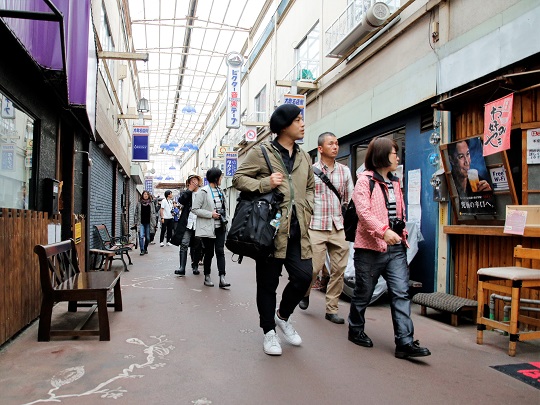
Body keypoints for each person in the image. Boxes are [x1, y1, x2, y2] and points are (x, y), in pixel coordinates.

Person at [232, 103, 314, 356]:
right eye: (298, 120)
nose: (302, 124)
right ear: (284, 125)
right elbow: (238, 179)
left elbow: (310, 187)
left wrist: (307, 208)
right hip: (269, 232)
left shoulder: (304, 156)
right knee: (267, 285)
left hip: (298, 229)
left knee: (304, 277)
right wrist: (265, 183)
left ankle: (282, 315)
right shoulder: (261, 152)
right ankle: (269, 331)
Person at [347, 137, 430, 359]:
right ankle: (355, 329)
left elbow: (397, 214)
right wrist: (383, 231)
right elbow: (363, 213)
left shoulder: (395, 182)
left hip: (395, 249)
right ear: (383, 154)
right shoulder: (364, 181)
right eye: (395, 153)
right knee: (363, 292)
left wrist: (399, 234)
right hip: (370, 248)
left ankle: (404, 342)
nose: (398, 157)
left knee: (401, 293)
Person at [299, 132, 353, 324]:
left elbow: (348, 199)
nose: (335, 147)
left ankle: (332, 309)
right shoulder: (310, 170)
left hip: (338, 226)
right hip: (316, 225)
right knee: (313, 268)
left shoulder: (345, 171)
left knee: (339, 270)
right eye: (331, 144)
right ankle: (305, 292)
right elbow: (304, 198)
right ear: (320, 149)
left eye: (337, 143)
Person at [192, 167, 230, 289]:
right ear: (216, 178)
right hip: (209, 228)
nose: (221, 179)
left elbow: (226, 208)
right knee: (209, 253)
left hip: (220, 227)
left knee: (220, 251)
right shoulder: (203, 191)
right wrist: (210, 214)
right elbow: (195, 209)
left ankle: (222, 277)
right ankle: (207, 276)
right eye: (220, 177)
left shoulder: (221, 191)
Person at [172, 172, 203, 277]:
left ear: (199, 182)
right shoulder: (186, 193)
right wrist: (189, 190)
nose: (194, 182)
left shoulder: (203, 193)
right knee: (184, 243)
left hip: (199, 222)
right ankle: (182, 268)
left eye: (196, 180)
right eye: (192, 181)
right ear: (189, 183)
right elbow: (181, 201)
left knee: (197, 246)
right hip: (187, 223)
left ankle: (195, 266)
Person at [134, 190, 157, 255]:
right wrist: (135, 222)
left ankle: (145, 247)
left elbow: (154, 213)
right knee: (141, 236)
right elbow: (136, 213)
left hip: (149, 223)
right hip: (140, 222)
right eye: (144, 194)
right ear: (142, 195)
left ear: (148, 195)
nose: (145, 195)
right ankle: (142, 250)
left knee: (148, 238)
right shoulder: (139, 203)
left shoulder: (151, 203)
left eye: (147, 194)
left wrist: (154, 223)